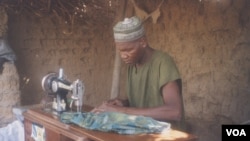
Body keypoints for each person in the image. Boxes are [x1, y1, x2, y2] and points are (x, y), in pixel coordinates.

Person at [92, 16, 186, 131]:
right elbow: (142, 103)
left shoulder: (163, 63)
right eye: (121, 50)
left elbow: (174, 112)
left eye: (128, 50)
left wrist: (122, 111)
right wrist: (124, 103)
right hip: (144, 132)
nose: (123, 55)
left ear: (143, 42)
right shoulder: (132, 65)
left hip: (168, 135)